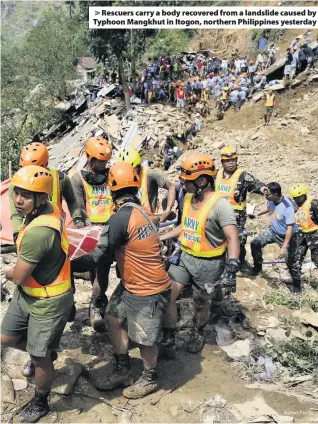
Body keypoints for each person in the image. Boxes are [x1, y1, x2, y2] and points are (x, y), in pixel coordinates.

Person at [71, 162, 171, 398]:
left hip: (147, 288)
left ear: (111, 189)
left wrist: (64, 263)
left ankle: (149, 377)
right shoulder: (142, 210)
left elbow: (97, 256)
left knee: (144, 338)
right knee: (113, 319)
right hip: (133, 283)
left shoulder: (121, 218)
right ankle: (122, 368)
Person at [1, 166, 73, 422]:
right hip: (29, 292)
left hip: (48, 301)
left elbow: (18, 276)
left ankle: (41, 401)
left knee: (39, 357)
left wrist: (8, 271)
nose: (19, 200)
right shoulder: (49, 208)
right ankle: (44, 352)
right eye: (16, 193)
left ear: (42, 198)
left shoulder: (40, 233)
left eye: (26, 195)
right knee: (6, 337)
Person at [160, 153, 240, 354]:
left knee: (201, 303)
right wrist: (162, 237)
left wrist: (231, 266)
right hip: (184, 259)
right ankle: (168, 336)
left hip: (209, 264)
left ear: (203, 180)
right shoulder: (187, 198)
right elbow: (185, 227)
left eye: (187, 180)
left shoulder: (220, 206)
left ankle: (198, 331)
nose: (183, 183)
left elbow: (232, 238)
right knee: (167, 295)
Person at [71, 137, 113, 331]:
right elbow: (78, 208)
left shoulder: (112, 176)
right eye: (99, 161)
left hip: (110, 228)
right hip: (89, 230)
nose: (103, 165)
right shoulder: (77, 179)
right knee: (89, 266)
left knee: (103, 269)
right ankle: (81, 302)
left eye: (105, 162)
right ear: (89, 158)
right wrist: (86, 230)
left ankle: (97, 302)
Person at [10, 143, 84, 244]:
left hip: (57, 232)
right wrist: (17, 235)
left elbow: (72, 201)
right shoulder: (17, 184)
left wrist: (78, 220)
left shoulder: (60, 179)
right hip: (30, 234)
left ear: (45, 165)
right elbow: (16, 214)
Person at [215, 146, 268, 272]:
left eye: (233, 160)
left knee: (237, 240)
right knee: (218, 239)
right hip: (217, 214)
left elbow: (256, 185)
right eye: (228, 161)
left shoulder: (242, 176)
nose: (231, 163)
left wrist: (262, 189)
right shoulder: (216, 175)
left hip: (236, 216)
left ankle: (240, 264)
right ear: (222, 162)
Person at [247, 182, 302, 293]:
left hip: (289, 236)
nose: (266, 196)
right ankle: (257, 268)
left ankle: (297, 285)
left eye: (268, 194)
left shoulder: (287, 207)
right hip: (273, 231)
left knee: (291, 261)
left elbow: (290, 228)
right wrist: (257, 213)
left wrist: (284, 247)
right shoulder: (271, 199)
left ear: (276, 195)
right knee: (255, 243)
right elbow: (269, 209)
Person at [117, 146, 176, 220]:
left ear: (138, 166)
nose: (128, 174)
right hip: (131, 221)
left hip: (149, 221)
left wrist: (167, 210)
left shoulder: (149, 174)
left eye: (132, 170)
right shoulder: (122, 178)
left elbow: (171, 187)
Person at [290, 184, 318, 271]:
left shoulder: (313, 203)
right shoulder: (294, 205)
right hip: (301, 234)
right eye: (295, 198)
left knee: (316, 258)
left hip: (314, 234)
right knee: (296, 257)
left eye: (299, 197)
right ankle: (296, 278)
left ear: (304, 195)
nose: (297, 199)